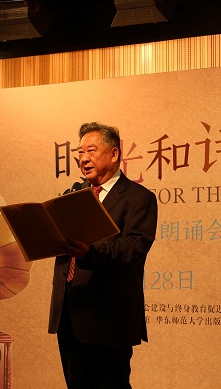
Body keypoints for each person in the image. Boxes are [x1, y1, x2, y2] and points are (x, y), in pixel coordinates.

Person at [48, 122, 158, 389]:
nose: (83, 158)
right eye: (80, 152)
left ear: (114, 153)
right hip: (69, 315)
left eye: (91, 150)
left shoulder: (138, 198)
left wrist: (90, 252)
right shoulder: (74, 196)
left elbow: (133, 248)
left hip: (108, 319)